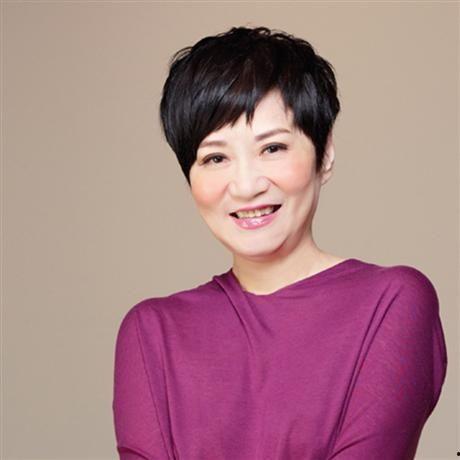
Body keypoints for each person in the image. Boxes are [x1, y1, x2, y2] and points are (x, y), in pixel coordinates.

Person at [112, 26, 448, 459]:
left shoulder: (392, 302)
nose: (246, 185)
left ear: (325, 153)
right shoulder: (151, 331)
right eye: (215, 157)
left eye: (272, 148)